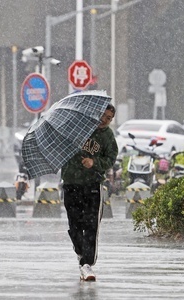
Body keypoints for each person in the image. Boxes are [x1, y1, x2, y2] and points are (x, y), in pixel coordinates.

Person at [60, 103, 118, 281]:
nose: (104, 120)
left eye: (109, 118)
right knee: (75, 225)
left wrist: (94, 163)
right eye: (103, 115)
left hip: (93, 185)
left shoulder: (107, 136)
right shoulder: (76, 128)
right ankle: (80, 252)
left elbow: (111, 158)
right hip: (71, 183)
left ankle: (87, 264)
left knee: (91, 225)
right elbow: (62, 148)